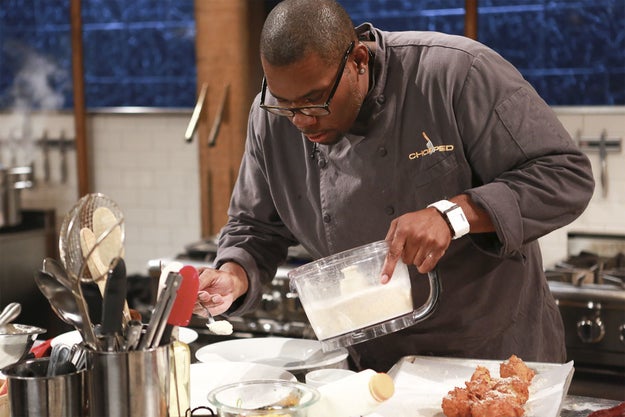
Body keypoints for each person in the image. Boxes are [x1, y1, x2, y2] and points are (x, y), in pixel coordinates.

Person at [195, 0, 594, 372]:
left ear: (358, 61)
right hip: (374, 369)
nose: (301, 121)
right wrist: (234, 274)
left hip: (490, 358)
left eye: (315, 101)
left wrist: (453, 214)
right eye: (285, 105)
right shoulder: (272, 117)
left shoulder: (457, 74)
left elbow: (565, 174)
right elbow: (255, 228)